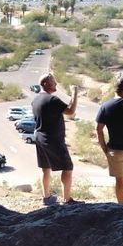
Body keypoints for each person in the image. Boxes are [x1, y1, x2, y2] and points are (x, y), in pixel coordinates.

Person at [32, 73, 79, 206]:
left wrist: (70, 99)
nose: (56, 84)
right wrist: (75, 93)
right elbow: (70, 111)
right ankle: (67, 200)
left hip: (40, 137)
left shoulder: (36, 100)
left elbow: (64, 109)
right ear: (46, 84)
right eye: (53, 82)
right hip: (53, 139)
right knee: (67, 167)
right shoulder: (52, 99)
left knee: (45, 168)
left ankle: (46, 197)